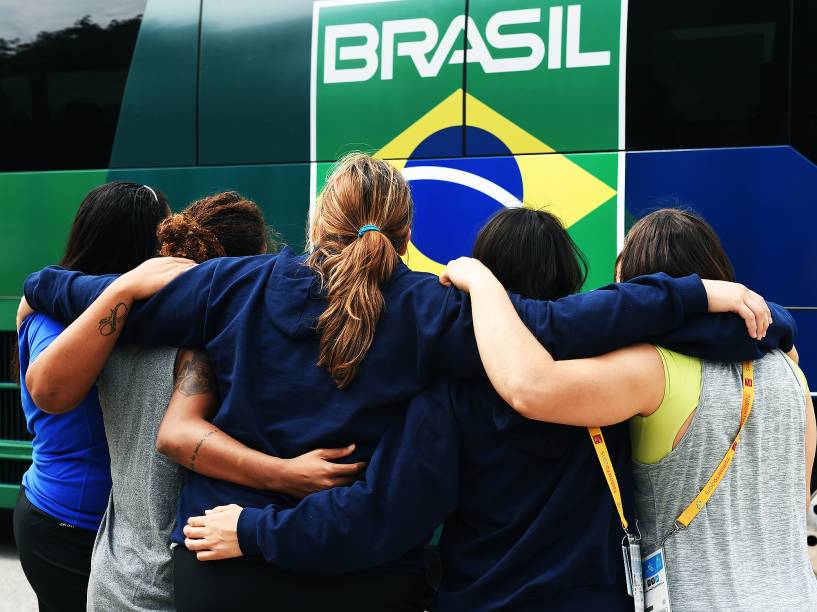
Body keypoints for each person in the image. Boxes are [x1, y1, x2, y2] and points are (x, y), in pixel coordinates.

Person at [22, 154, 778, 611]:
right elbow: (565, 327)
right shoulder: (433, 310)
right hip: (365, 583)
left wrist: (46, 285)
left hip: (225, 571)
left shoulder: (234, 286)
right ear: (406, 231)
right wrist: (706, 297)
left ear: (320, 219)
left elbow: (79, 294)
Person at [188, 208, 796, 612]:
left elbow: (375, 521)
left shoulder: (454, 397)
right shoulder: (614, 380)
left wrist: (253, 529)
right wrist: (770, 324)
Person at [440, 208, 817, 610]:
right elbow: (794, 499)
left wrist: (482, 283)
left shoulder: (651, 370)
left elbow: (528, 387)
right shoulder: (790, 371)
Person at [20, 191, 364, 611]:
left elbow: (55, 298)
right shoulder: (222, 346)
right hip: (178, 583)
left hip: (115, 576)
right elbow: (177, 436)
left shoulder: (111, 335)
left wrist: (43, 288)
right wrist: (287, 474)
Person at [14, 181, 171, 612]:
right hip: (67, 524)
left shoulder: (145, 315)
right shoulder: (53, 314)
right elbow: (52, 392)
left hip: (106, 524)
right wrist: (124, 290)